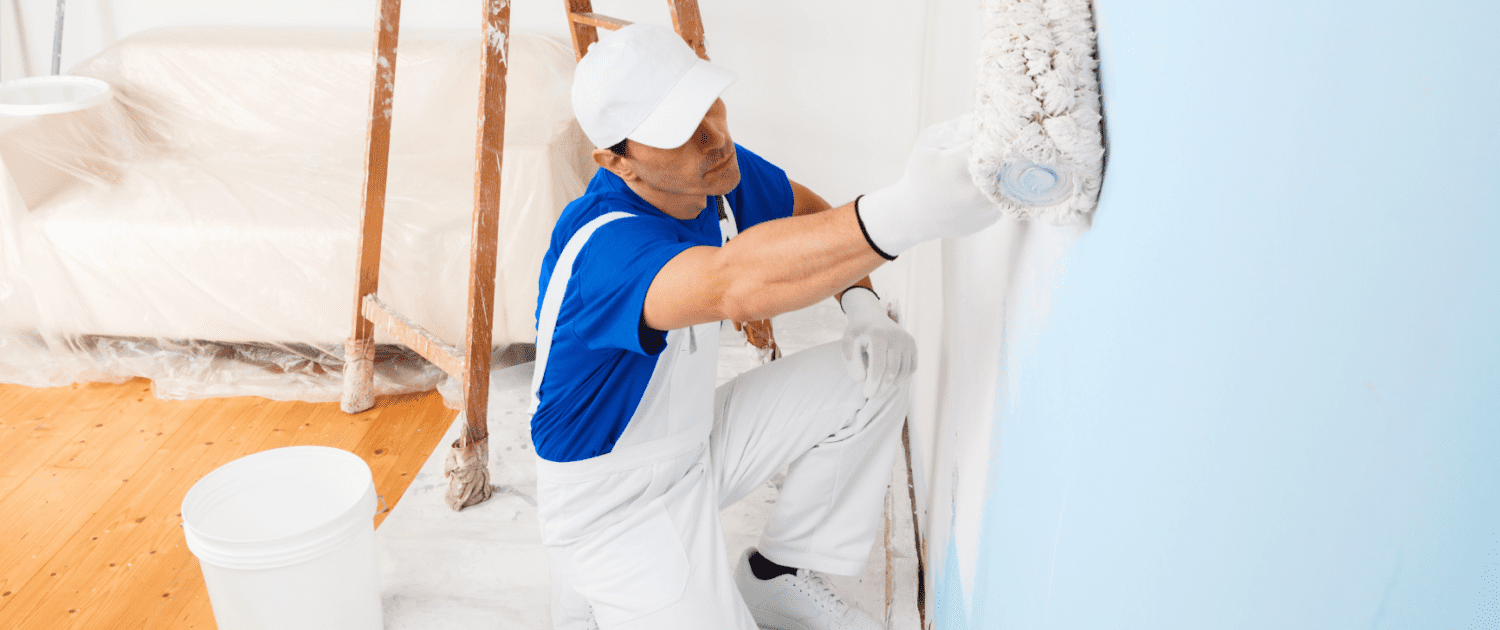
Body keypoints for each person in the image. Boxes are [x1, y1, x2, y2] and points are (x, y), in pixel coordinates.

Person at [531, 23, 998, 630]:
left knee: (881, 367)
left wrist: (861, 303)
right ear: (616, 162)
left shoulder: (709, 174)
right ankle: (597, 591)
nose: (714, 137)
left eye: (707, 105)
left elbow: (804, 210)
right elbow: (733, 282)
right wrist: (908, 210)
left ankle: (779, 577)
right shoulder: (604, 250)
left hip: (697, 443)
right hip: (615, 503)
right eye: (677, 130)